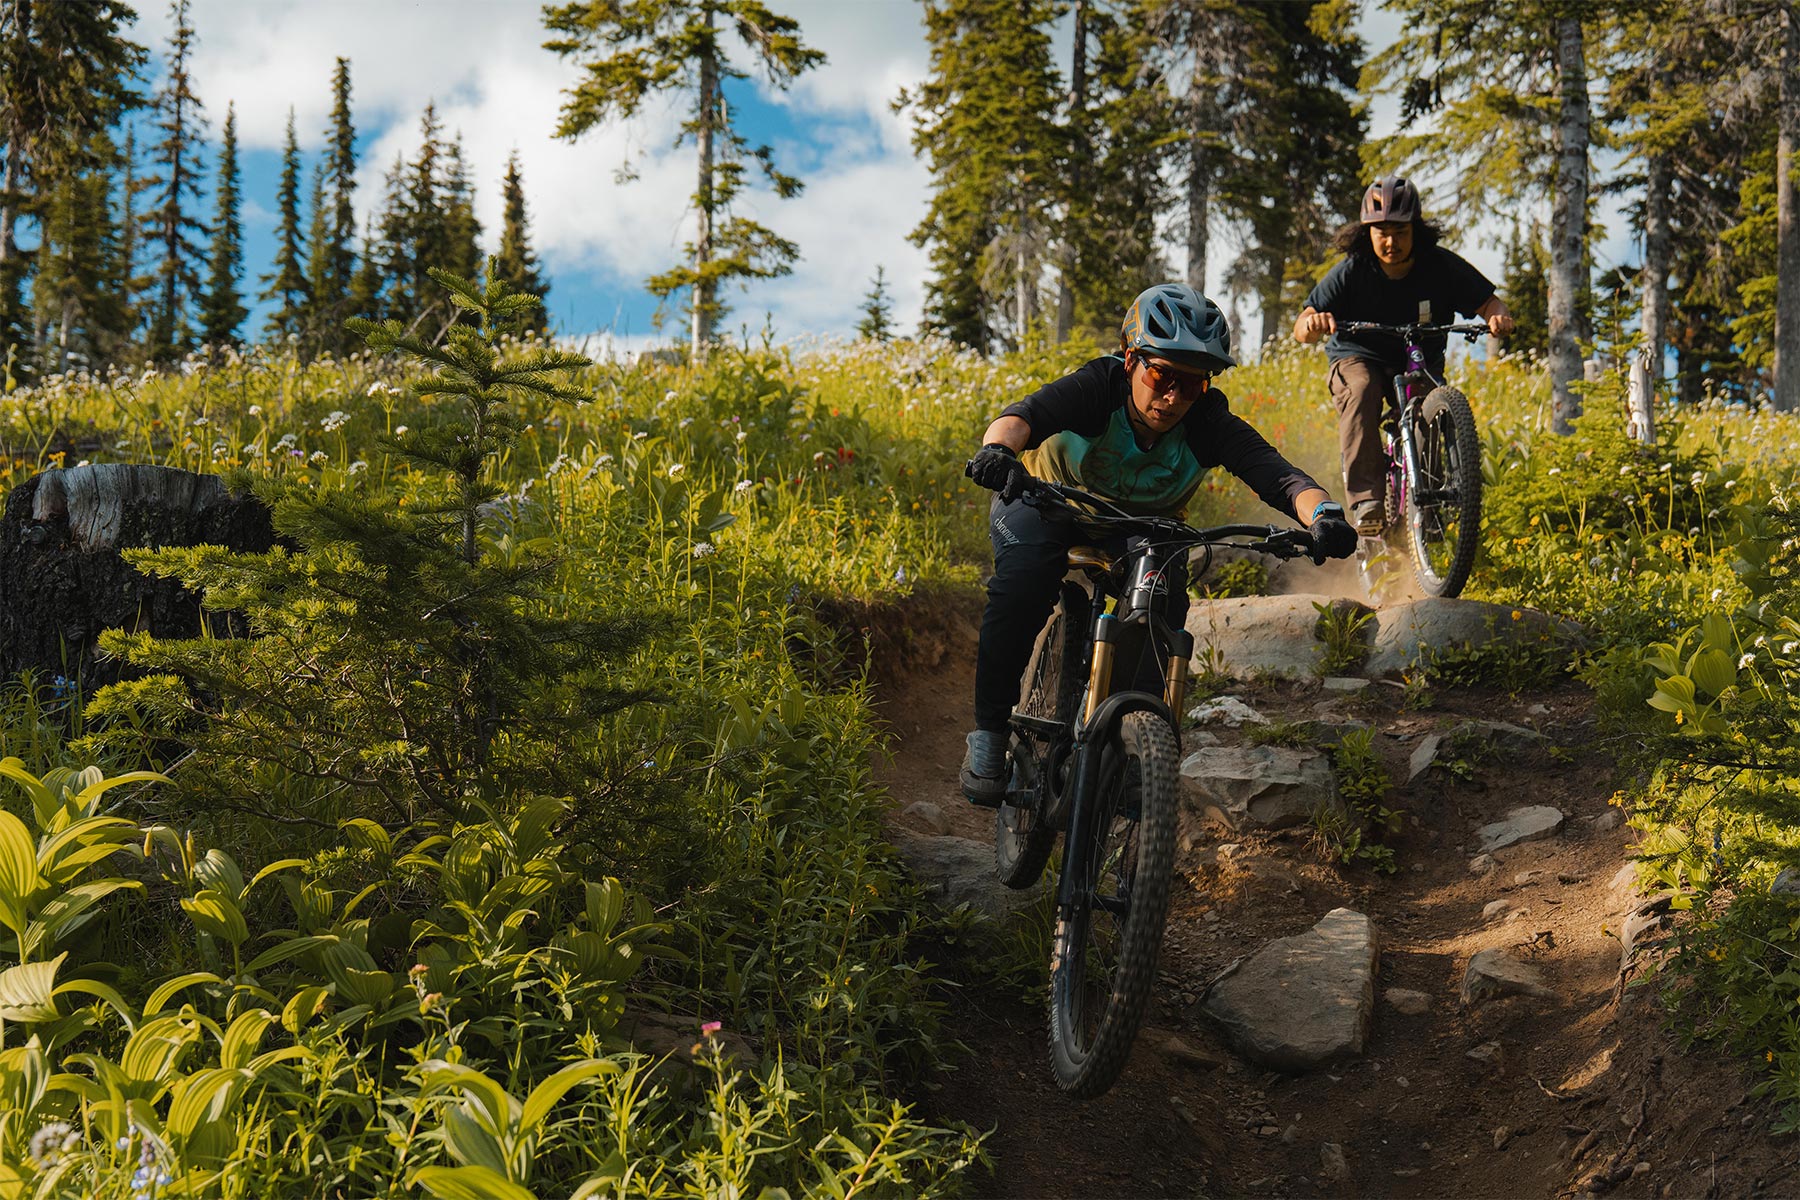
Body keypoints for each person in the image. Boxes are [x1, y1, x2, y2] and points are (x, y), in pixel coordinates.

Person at [958, 283, 1358, 805]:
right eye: (1161, 375)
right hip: (1046, 502)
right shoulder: (1097, 387)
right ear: (1131, 362)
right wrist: (997, 452)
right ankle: (989, 734)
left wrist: (1324, 515)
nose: (1173, 396)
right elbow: (1022, 417)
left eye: (1190, 385)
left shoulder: (1208, 421)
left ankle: (1126, 747)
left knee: (1161, 608)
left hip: (1138, 525)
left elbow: (1281, 479)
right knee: (1024, 581)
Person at [1292, 175, 1515, 535]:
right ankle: (1366, 501)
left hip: (1418, 358)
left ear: (1416, 230)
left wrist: (1497, 316)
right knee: (1362, 388)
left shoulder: (1440, 266)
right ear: (1368, 234)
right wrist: (1313, 323)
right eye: (1381, 232)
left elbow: (1489, 302)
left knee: (1430, 410)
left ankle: (1432, 507)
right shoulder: (1352, 270)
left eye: (1400, 231)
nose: (1391, 241)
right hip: (1358, 354)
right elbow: (1302, 326)